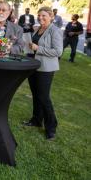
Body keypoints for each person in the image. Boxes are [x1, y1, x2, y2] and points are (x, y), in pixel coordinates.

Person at [24, 7, 62, 140]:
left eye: (44, 15)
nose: (40, 18)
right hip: (33, 66)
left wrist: (38, 48)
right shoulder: (38, 29)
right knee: (36, 95)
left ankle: (51, 127)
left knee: (44, 97)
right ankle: (36, 120)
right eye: (39, 15)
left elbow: (58, 52)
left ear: (51, 16)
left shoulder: (55, 31)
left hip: (46, 68)